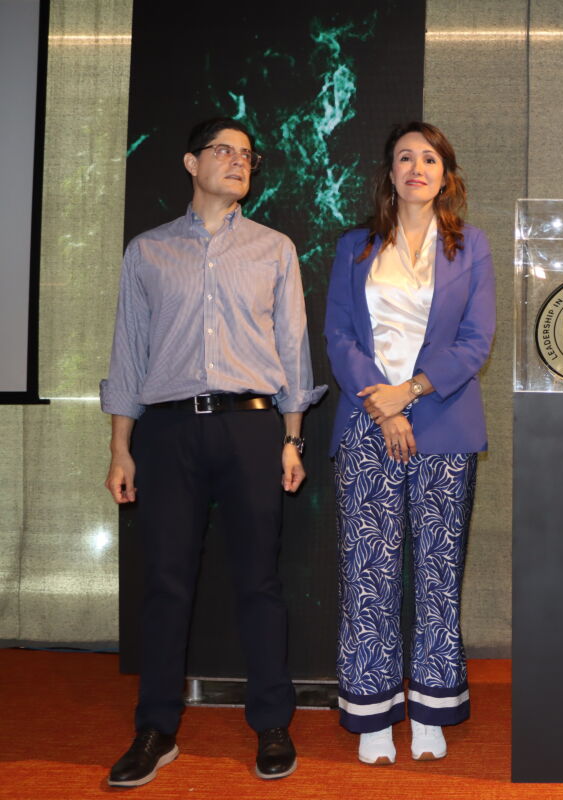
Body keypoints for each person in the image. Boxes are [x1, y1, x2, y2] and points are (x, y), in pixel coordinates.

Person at [101, 117, 324, 787]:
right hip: (167, 432)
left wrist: (292, 439)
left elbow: (293, 350)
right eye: (223, 151)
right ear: (190, 163)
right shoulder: (147, 251)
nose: (238, 162)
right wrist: (120, 448)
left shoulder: (274, 249)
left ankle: (272, 722)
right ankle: (156, 727)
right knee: (166, 583)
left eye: (247, 155)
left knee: (259, 580)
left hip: (252, 429)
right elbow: (128, 354)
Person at [324, 121, 495, 766]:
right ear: (389, 173)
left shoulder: (471, 246)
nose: (416, 168)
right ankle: (372, 712)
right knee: (368, 571)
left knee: (438, 571)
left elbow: (476, 341)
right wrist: (383, 401)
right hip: (367, 421)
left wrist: (412, 392)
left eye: (429, 158)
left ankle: (430, 707)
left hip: (445, 423)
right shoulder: (355, 246)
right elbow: (339, 336)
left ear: (446, 175)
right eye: (404, 157)